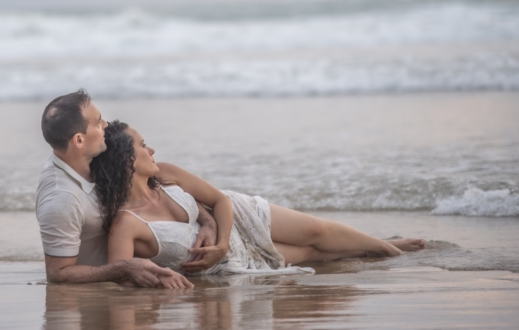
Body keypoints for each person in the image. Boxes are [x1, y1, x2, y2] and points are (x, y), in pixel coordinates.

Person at [91, 121, 426, 287]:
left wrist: (219, 241)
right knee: (312, 254)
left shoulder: (165, 174)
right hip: (232, 260)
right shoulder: (126, 224)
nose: (152, 150)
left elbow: (219, 199)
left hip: (239, 217)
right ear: (125, 160)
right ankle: (373, 247)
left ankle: (386, 247)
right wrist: (164, 278)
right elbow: (121, 276)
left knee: (316, 230)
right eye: (144, 146)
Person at [36, 89, 218, 288]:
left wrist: (208, 221)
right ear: (79, 140)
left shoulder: (94, 159)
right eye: (98, 123)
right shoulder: (62, 199)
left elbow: (161, 190)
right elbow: (57, 274)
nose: (105, 125)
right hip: (101, 293)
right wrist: (124, 268)